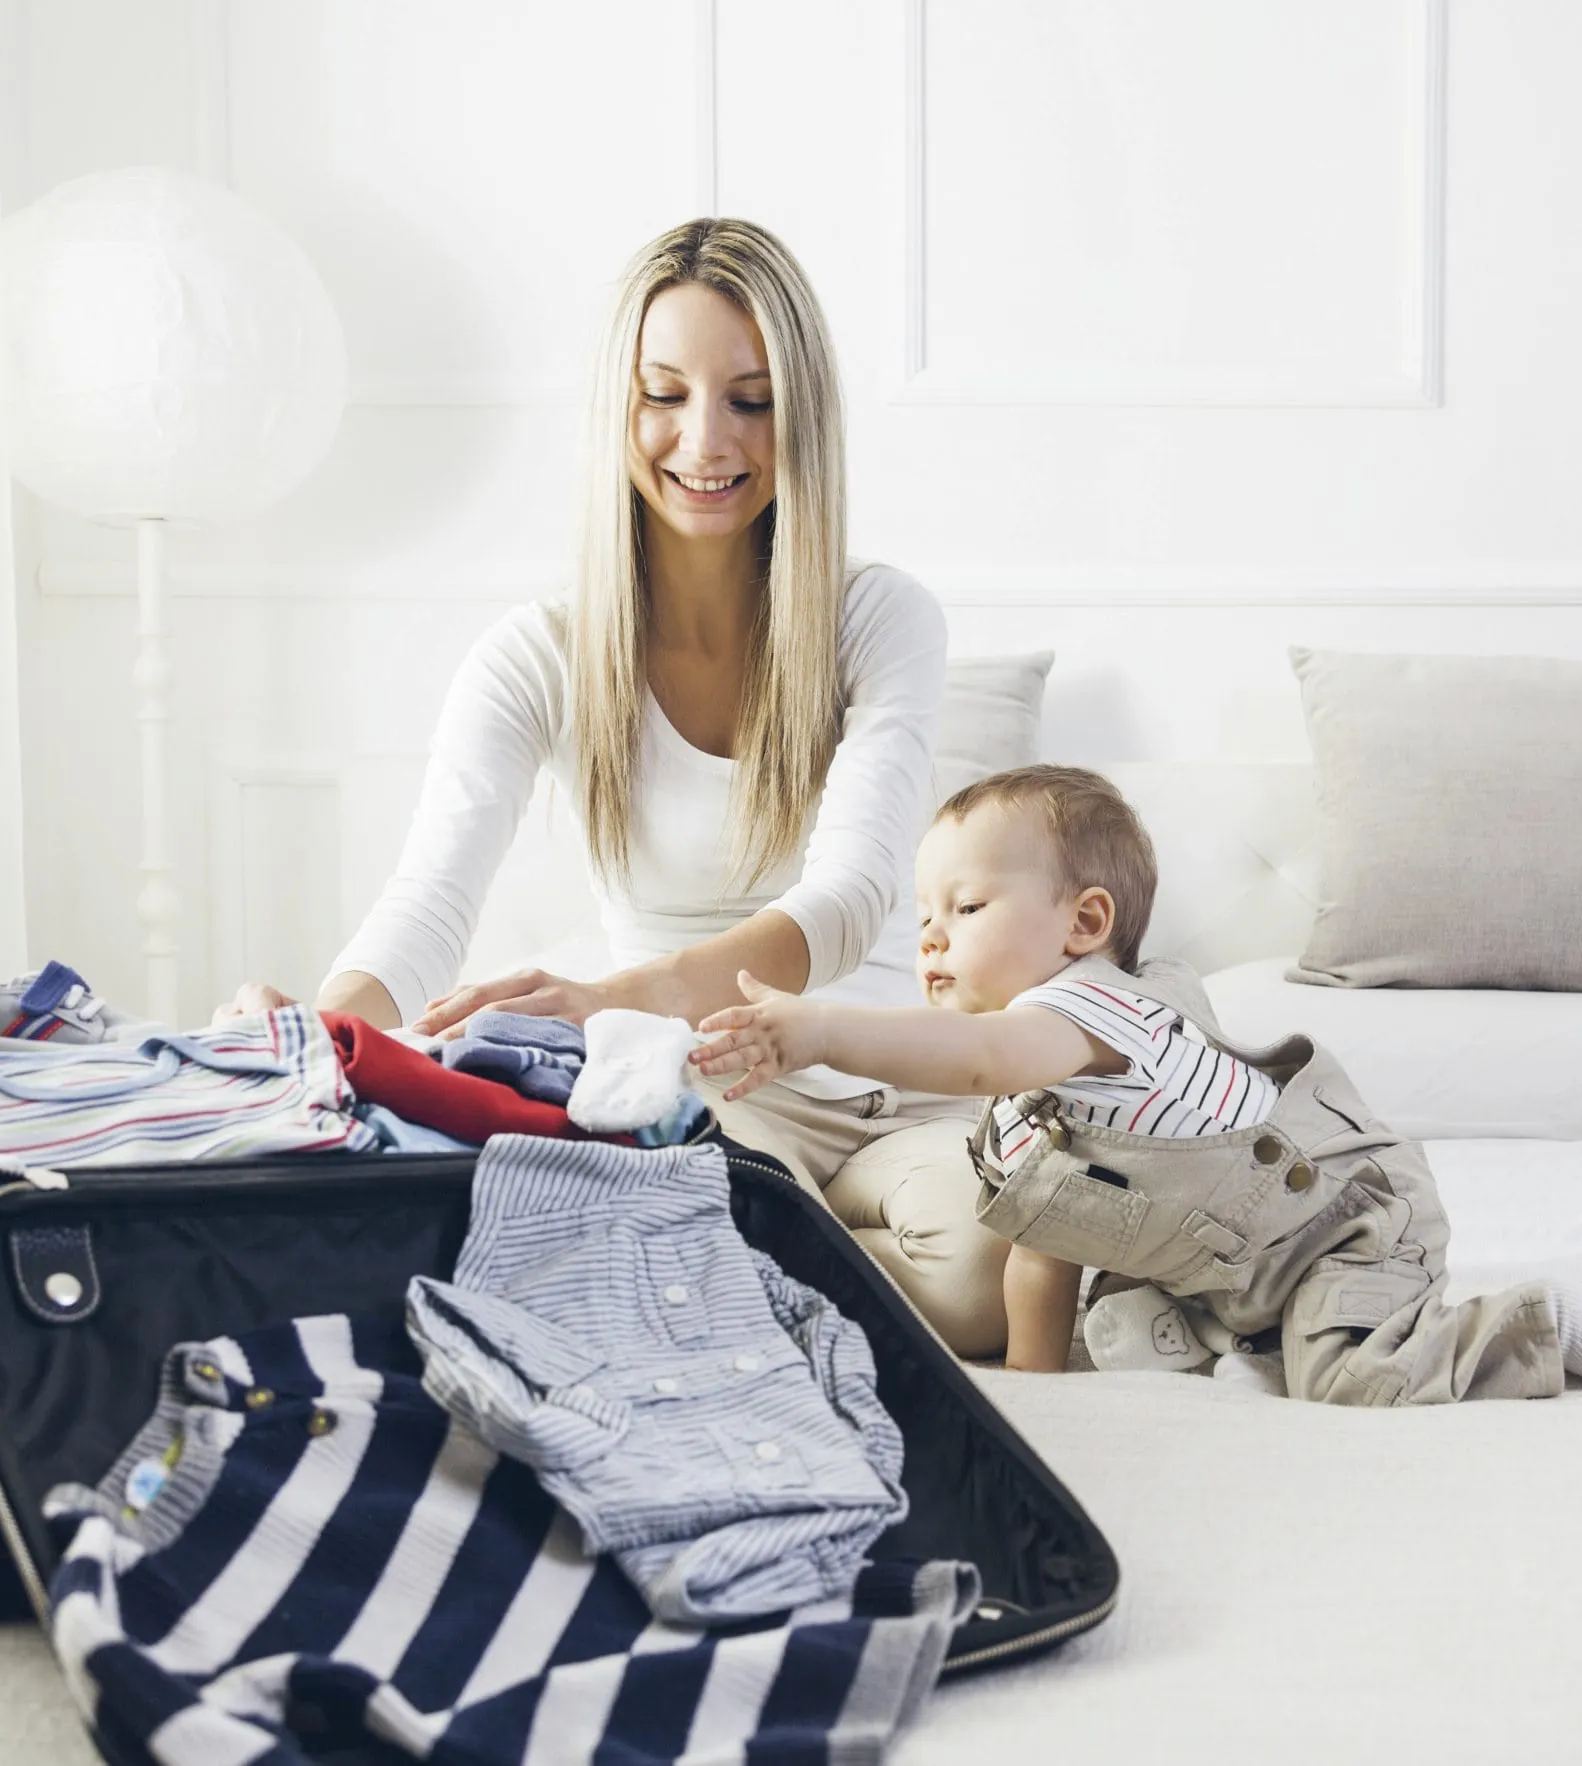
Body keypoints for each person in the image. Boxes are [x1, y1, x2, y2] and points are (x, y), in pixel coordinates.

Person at [216, 219, 1011, 1355]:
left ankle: (777, 1261)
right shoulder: (536, 654)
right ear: (618, 408)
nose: (706, 439)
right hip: (718, 1091)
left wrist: (614, 997)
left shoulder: (880, 620)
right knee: (691, 1243)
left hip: (896, 1081)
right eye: (665, 393)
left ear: (803, 418)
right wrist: (315, 1038)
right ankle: (770, 1253)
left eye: (751, 397)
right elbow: (430, 899)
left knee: (988, 1280)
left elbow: (853, 899)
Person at [690, 764, 1582, 1403]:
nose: (932, 934)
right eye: (923, 914)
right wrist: (1040, 1397)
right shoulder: (1026, 1109)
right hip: (1223, 1259)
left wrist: (820, 1026)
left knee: (1356, 1379)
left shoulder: (1099, 1012)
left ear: (1083, 923)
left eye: (969, 903)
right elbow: (1044, 1243)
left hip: (1341, 1219)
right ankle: (1252, 1348)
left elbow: (980, 1058)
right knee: (1123, 1338)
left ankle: (1540, 1322)